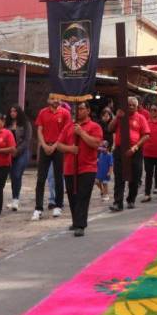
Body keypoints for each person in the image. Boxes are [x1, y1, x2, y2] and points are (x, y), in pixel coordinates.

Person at [56, 101, 103, 237]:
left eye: (82, 108)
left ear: (88, 111)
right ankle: (76, 221)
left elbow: (95, 144)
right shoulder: (68, 126)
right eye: (77, 109)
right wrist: (70, 148)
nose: (78, 111)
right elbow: (59, 145)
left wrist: (81, 133)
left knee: (83, 196)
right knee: (72, 196)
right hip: (70, 167)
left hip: (87, 167)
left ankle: (80, 225)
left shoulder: (95, 126)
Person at [33, 96, 72, 220]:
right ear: (48, 100)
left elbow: (65, 132)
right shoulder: (42, 112)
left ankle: (58, 205)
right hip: (45, 147)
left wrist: (55, 145)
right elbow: (39, 129)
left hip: (58, 148)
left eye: (58, 99)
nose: (56, 100)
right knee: (41, 179)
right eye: (53, 98)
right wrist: (44, 145)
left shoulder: (65, 113)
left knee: (58, 177)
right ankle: (38, 208)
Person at [109, 97, 150, 211]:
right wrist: (117, 117)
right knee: (119, 177)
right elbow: (110, 128)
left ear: (137, 107)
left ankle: (131, 199)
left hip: (135, 150)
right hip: (119, 150)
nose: (130, 107)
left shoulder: (141, 118)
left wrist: (135, 147)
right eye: (129, 104)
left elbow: (146, 135)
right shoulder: (120, 116)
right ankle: (118, 202)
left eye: (133, 105)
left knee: (135, 176)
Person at [6, 104, 32, 212]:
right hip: (10, 152)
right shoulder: (7, 124)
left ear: (19, 112)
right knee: (13, 176)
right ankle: (14, 198)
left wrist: (17, 150)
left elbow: (27, 140)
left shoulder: (26, 124)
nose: (13, 113)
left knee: (17, 174)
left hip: (22, 152)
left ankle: (16, 199)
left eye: (15, 111)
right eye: (11, 111)